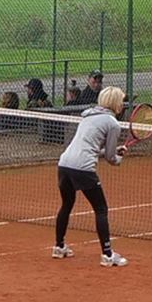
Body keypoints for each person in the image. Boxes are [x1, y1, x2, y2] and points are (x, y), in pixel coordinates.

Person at [52, 85, 129, 267]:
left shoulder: (87, 116)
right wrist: (119, 158)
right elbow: (111, 158)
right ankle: (108, 255)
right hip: (83, 168)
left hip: (64, 164)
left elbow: (91, 147)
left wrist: (113, 151)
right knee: (101, 209)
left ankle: (59, 246)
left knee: (67, 204)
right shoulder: (113, 124)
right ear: (116, 103)